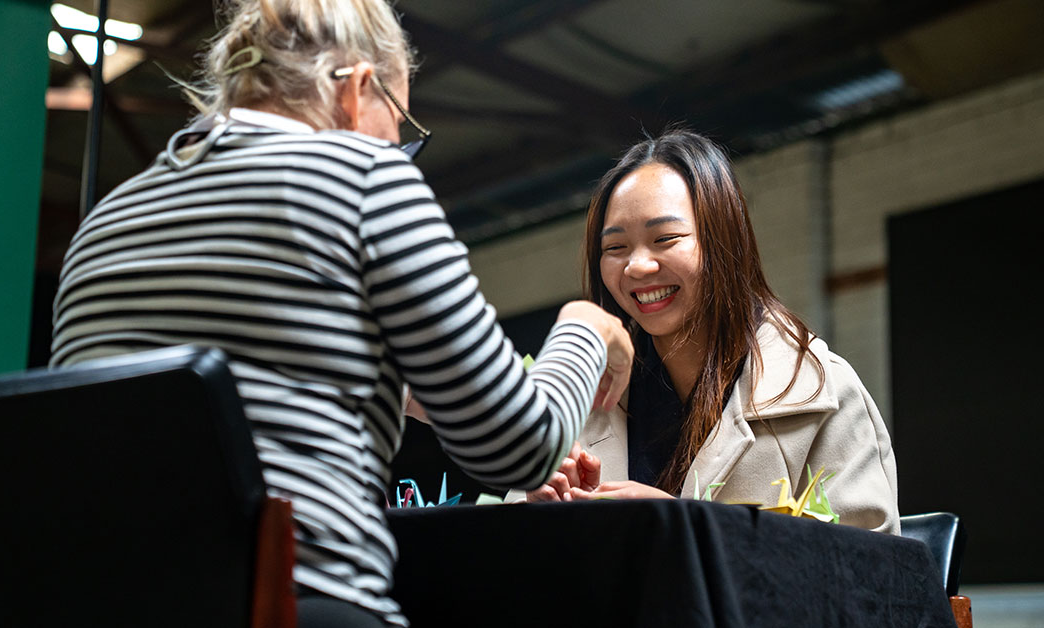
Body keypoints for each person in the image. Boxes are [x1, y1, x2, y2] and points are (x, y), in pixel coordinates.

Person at [49, 1, 633, 626]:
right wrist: (587, 328)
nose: (398, 146)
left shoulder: (105, 222)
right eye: (401, 122)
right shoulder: (363, 175)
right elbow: (520, 450)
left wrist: (403, 384)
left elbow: (241, 375)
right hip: (295, 602)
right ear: (357, 89)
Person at [508, 130, 899, 535]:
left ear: (722, 241)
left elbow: (870, 576)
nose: (637, 266)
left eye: (666, 239)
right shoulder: (578, 398)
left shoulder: (820, 391)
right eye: (615, 248)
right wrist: (538, 513)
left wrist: (689, 527)